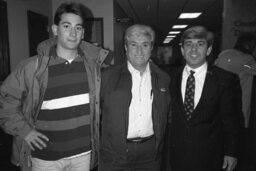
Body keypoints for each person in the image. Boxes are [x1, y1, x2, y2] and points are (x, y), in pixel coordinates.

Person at [0, 2, 110, 171]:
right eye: (66, 26)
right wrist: (25, 131)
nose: (73, 33)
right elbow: (5, 102)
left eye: (78, 28)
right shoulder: (32, 67)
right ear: (55, 29)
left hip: (83, 155)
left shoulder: (94, 67)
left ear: (83, 32)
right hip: (45, 157)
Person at [168, 26, 242, 171]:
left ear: (208, 50)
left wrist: (232, 152)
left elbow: (232, 119)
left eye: (200, 44)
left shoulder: (225, 80)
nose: (194, 49)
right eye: (188, 44)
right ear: (182, 50)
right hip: (178, 155)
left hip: (211, 156)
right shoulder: (170, 77)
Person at [99, 24, 171, 171]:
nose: (139, 50)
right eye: (133, 44)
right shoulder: (107, 77)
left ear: (151, 48)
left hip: (150, 155)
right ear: (126, 47)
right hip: (115, 155)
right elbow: (94, 113)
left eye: (145, 45)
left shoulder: (163, 78)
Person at [215, 33, 256, 128]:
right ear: (248, 45)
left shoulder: (224, 54)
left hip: (220, 102)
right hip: (239, 106)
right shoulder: (247, 60)